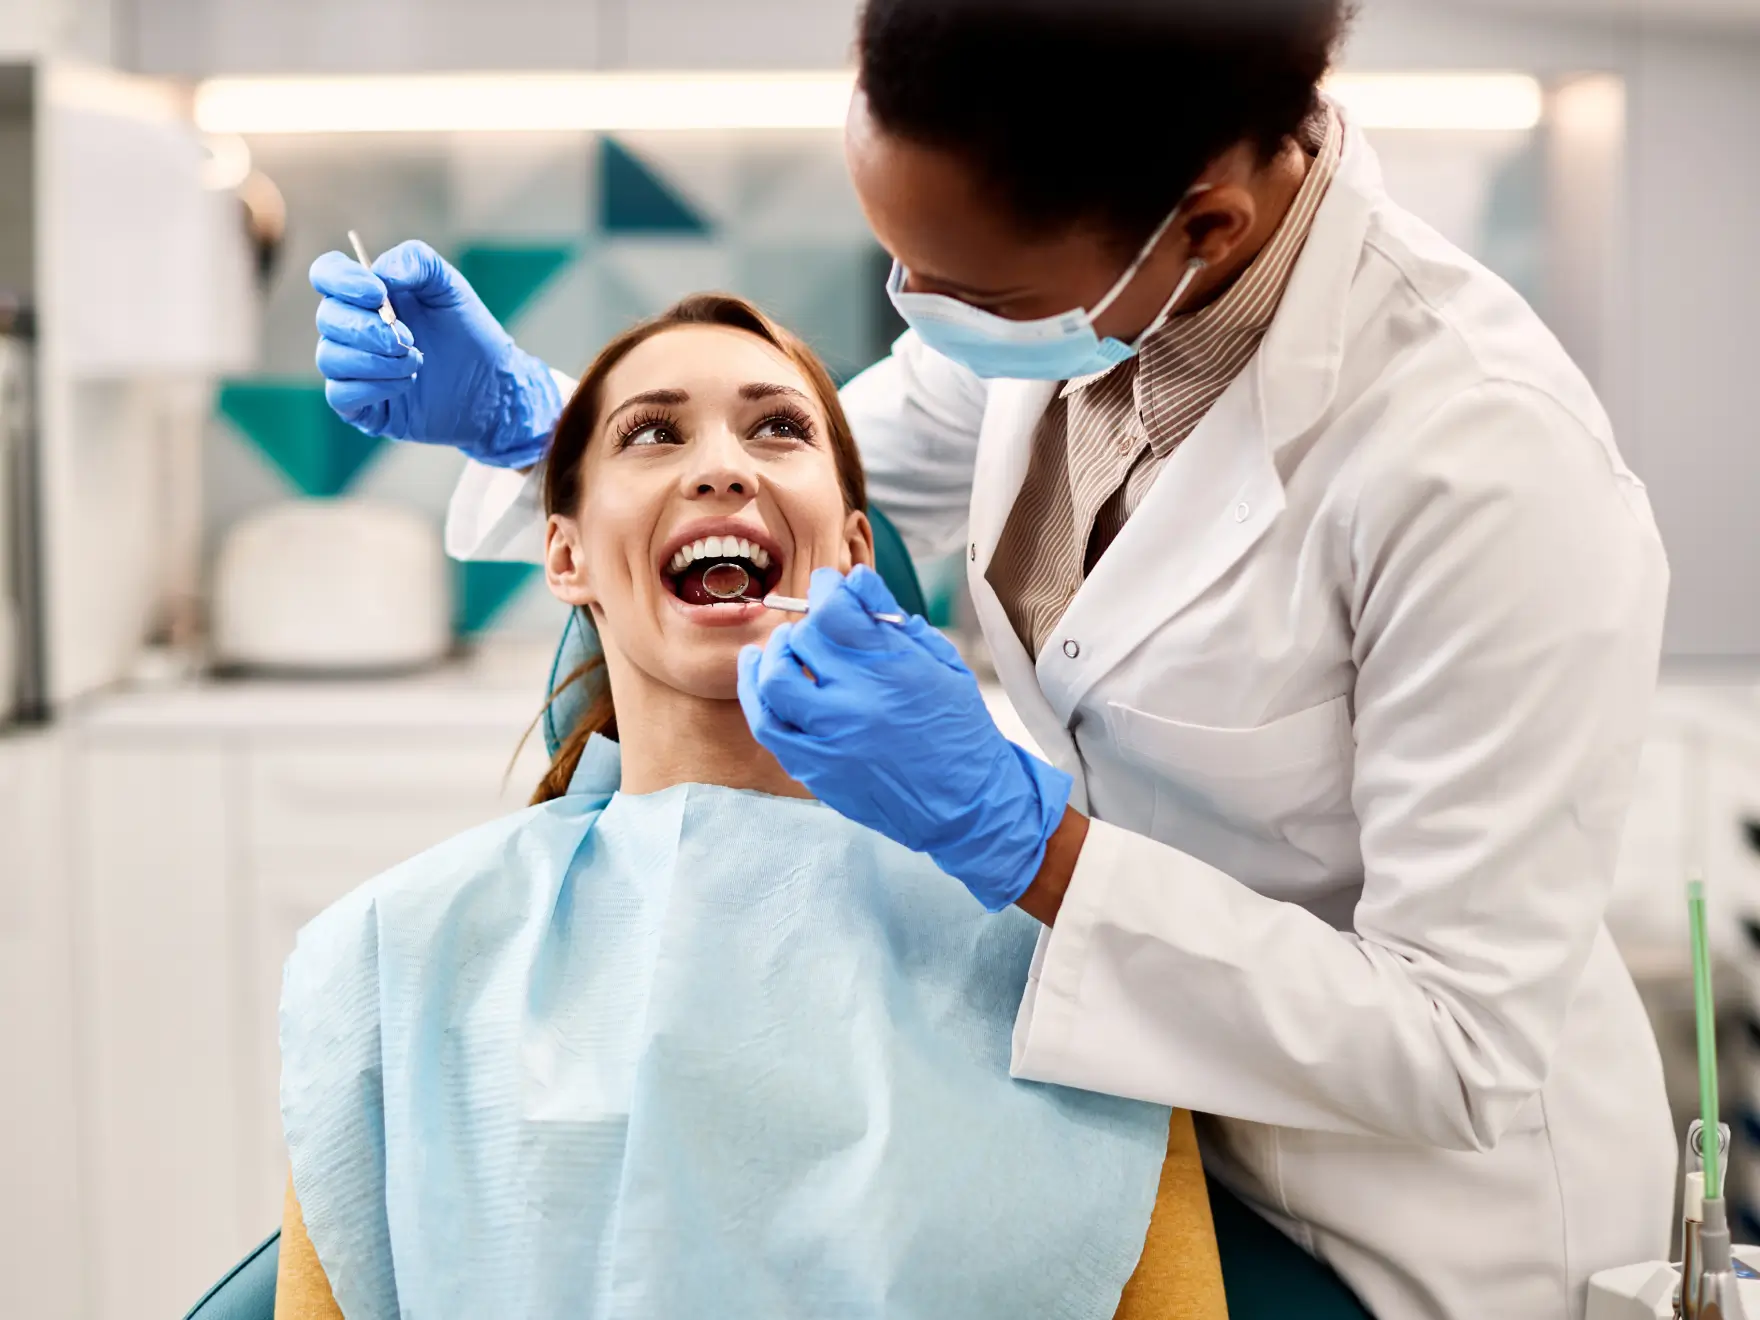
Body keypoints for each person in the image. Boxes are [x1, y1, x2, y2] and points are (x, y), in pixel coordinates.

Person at [308, 2, 1676, 1315]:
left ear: (1204, 227)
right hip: (1143, 1113)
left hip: (1406, 1222)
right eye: (903, 265)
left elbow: (1459, 1045)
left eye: (960, 288)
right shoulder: (1070, 302)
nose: (917, 308)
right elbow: (802, 457)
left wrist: (1029, 843)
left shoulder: (1481, 464)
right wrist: (538, 422)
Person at [274, 294, 1235, 1320]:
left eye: (778, 427)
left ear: (856, 551)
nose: (723, 468)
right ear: (563, 557)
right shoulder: (396, 954)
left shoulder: (1057, 954)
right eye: (651, 432)